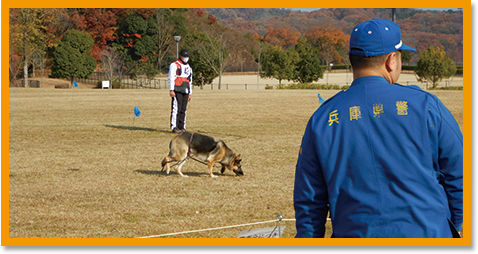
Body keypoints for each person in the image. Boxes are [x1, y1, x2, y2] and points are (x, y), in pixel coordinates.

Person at [294, 19, 463, 238]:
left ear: (352, 60)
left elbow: (309, 201)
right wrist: (457, 222)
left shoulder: (322, 119)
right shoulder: (426, 106)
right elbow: (459, 172)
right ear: (392, 60)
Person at [169, 49, 193, 133]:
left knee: (183, 109)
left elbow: (190, 80)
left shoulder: (189, 67)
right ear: (180, 56)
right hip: (177, 89)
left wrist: (190, 93)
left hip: (185, 89)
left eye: (187, 57)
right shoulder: (174, 65)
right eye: (184, 56)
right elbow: (171, 77)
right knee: (176, 108)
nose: (185, 58)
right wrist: (171, 89)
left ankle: (182, 126)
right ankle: (174, 126)